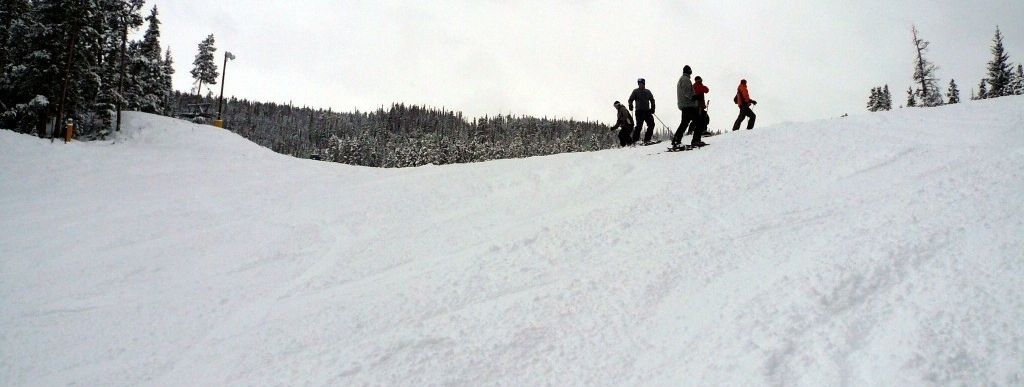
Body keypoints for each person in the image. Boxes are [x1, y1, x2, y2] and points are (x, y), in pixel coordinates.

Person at [671, 65, 699, 147]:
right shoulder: (685, 79)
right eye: (690, 71)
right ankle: (696, 140)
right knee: (699, 121)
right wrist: (694, 97)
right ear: (689, 71)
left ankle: (676, 140)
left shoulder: (682, 79)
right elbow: (687, 92)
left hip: (684, 105)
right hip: (688, 105)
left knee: (684, 123)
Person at [628, 78, 656, 145]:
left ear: (644, 84)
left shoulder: (648, 91)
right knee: (639, 126)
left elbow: (652, 100)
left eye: (642, 84)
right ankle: (634, 141)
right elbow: (630, 99)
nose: (640, 85)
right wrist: (630, 105)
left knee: (651, 124)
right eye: (639, 84)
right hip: (639, 111)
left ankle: (647, 139)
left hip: (647, 111)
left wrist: (653, 108)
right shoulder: (635, 91)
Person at [690, 75, 710, 146]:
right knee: (702, 120)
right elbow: (707, 90)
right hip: (699, 106)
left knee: (699, 120)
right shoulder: (698, 85)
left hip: (696, 106)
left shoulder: (693, 86)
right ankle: (697, 137)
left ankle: (695, 136)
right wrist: (701, 84)